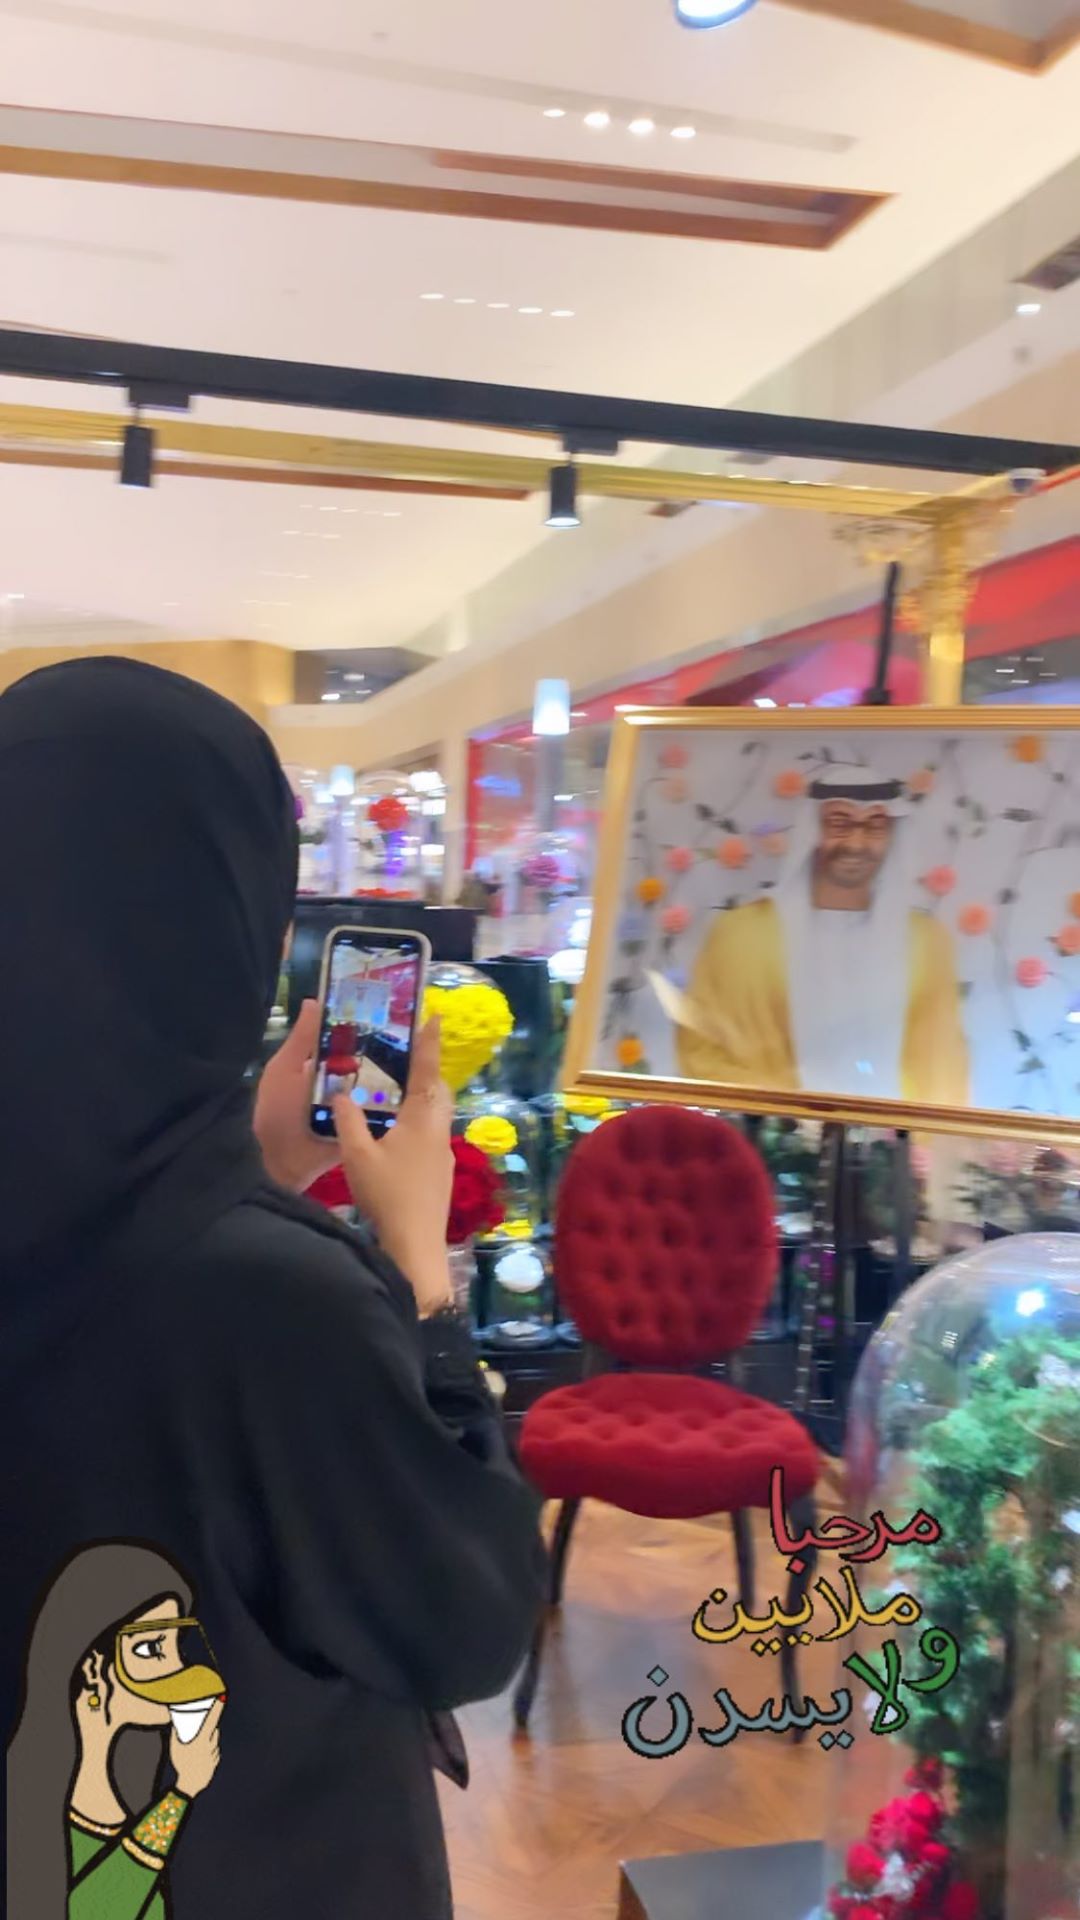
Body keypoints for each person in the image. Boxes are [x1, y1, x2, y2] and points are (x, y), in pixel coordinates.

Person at [1, 658, 546, 1920]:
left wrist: (250, 1170)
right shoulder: (279, 1301)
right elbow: (461, 1620)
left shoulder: (195, 1255)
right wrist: (418, 1266)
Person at [673, 764, 968, 1106]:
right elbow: (701, 1050)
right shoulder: (741, 933)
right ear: (813, 831)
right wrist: (787, 1116)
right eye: (839, 823)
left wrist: (916, 1134)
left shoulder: (926, 943)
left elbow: (942, 1064)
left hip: (892, 1134)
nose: (856, 843)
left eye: (875, 826)